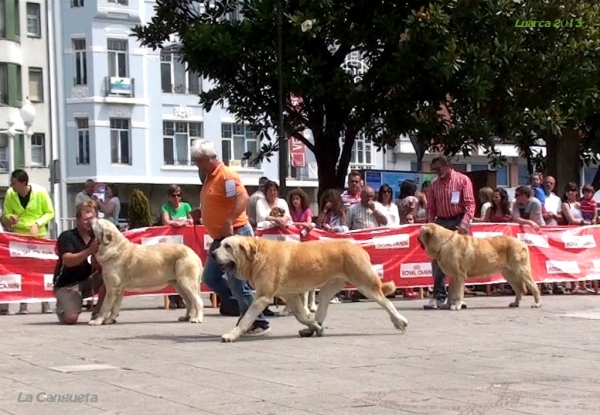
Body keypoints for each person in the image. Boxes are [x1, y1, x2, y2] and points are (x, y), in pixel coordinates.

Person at [192, 139, 270, 336]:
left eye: (198, 160)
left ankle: (257, 320)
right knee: (210, 277)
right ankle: (246, 310)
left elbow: (242, 198)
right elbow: (218, 202)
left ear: (208, 159)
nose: (196, 164)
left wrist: (229, 219)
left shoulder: (226, 175)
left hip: (235, 235)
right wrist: (201, 213)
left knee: (237, 283)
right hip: (221, 239)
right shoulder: (210, 177)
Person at [424, 156, 475, 310]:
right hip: (440, 224)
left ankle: (458, 297)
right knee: (438, 260)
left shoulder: (462, 180)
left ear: (447, 166)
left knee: (460, 262)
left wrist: (464, 224)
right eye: (434, 170)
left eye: (438, 168)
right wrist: (430, 226)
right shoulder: (434, 184)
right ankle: (439, 296)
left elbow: (470, 205)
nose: (436, 172)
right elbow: (431, 208)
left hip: (458, 222)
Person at [1, 169, 55, 315]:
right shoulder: (10, 194)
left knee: (42, 269)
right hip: (19, 235)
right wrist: (11, 216)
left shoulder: (41, 192)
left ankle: (46, 302)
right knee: (22, 269)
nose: (12, 186)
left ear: (23, 183)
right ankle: (23, 304)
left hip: (39, 235)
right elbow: (5, 212)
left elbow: (50, 212)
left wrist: (38, 223)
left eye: (14, 183)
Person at [53, 201, 106, 324]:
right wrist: (89, 251)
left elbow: (99, 266)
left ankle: (99, 312)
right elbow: (68, 261)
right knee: (71, 319)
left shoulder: (97, 238)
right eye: (86, 219)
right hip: (67, 284)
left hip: (88, 280)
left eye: (92, 219)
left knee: (111, 276)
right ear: (77, 220)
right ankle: (64, 306)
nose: (89, 223)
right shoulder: (67, 236)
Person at [161, 184, 193, 309]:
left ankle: (182, 299)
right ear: (169, 197)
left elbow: (191, 220)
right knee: (171, 271)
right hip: (171, 245)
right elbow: (166, 222)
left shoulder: (186, 206)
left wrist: (182, 223)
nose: (176, 198)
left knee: (183, 272)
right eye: (173, 195)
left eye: (178, 195)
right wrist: (177, 223)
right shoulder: (165, 207)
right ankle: (172, 298)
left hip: (185, 245)